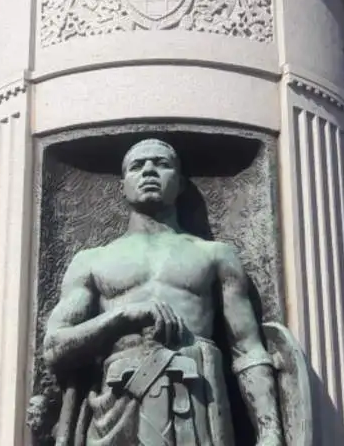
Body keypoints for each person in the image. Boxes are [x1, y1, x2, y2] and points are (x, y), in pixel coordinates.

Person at [40, 139, 282, 446]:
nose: (149, 171)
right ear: (122, 187)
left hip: (196, 401)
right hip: (117, 405)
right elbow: (54, 348)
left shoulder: (215, 255)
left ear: (180, 184)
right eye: (137, 166)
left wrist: (270, 431)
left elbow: (248, 349)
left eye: (162, 164)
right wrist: (120, 318)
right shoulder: (91, 261)